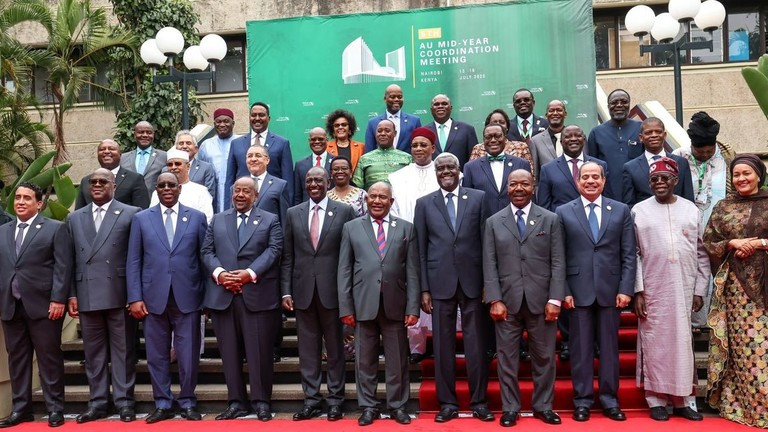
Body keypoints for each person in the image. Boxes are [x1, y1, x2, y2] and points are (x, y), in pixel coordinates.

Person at [413, 153, 492, 423]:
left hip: (473, 283)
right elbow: (420, 250)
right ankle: (447, 403)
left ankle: (479, 401)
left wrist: (488, 284)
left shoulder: (479, 198)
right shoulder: (424, 204)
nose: (446, 171)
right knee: (443, 347)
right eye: (441, 168)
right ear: (435, 172)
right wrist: (424, 289)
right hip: (439, 283)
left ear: (459, 171)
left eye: (450, 167)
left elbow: (487, 244)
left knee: (476, 345)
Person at [483, 169, 565, 427]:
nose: (519, 188)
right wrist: (494, 298)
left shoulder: (550, 219)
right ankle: (510, 408)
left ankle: (543, 406)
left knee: (544, 358)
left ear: (533, 187)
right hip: (506, 302)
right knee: (507, 359)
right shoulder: (494, 222)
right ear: (507, 188)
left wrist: (555, 299)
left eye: (524, 184)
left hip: (542, 303)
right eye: (514, 184)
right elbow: (490, 263)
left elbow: (558, 262)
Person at [556, 161, 636, 422]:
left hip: (610, 292)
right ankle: (582, 400)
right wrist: (564, 290)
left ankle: (610, 400)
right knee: (580, 350)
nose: (590, 181)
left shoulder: (621, 210)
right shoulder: (564, 212)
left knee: (610, 350)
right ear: (578, 182)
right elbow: (559, 256)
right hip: (577, 293)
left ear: (603, 181)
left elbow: (628, 253)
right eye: (585, 177)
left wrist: (626, 288)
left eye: (595, 177)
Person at [126, 172, 207, 423]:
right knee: (156, 354)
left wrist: (206, 299)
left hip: (188, 295)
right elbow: (134, 261)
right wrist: (135, 297)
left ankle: (187, 400)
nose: (167, 188)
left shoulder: (197, 218)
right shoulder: (141, 219)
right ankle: (162, 402)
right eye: (162, 185)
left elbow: (204, 259)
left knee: (188, 353)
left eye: (172, 184)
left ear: (179, 188)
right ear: (156, 190)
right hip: (152, 298)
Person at [632, 157, 708, 421]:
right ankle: (656, 400)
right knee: (654, 343)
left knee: (683, 343)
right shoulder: (639, 211)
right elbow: (635, 254)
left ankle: (684, 400)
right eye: (655, 179)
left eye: (665, 178)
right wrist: (638, 290)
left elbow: (701, 253)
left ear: (675, 180)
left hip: (685, 287)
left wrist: (699, 289)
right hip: (653, 289)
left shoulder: (691, 210)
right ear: (649, 182)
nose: (660, 183)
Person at [338, 182, 420, 426]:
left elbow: (413, 271)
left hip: (396, 304)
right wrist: (346, 307)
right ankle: (368, 407)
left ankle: (397, 406)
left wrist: (413, 307)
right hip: (362, 305)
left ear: (391, 201)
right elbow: (344, 270)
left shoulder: (406, 228)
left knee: (397, 361)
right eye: (372, 196)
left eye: (382, 197)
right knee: (364, 360)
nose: (376, 201)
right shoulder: (351, 228)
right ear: (366, 200)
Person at [201, 176, 283, 422]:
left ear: (255, 196)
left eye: (246, 191)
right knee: (229, 353)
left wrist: (248, 274)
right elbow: (206, 251)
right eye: (237, 190)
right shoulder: (217, 220)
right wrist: (221, 274)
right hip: (223, 295)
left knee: (259, 353)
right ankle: (236, 402)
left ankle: (261, 402)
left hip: (256, 296)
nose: (240, 195)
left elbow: (274, 250)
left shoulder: (270, 220)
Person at [281, 167, 356, 421]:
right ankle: (311, 399)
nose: (314, 184)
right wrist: (286, 291)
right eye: (309, 180)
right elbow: (288, 256)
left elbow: (350, 257)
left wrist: (349, 294)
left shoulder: (344, 211)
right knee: (308, 350)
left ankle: (336, 400)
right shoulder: (293, 213)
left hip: (334, 293)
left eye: (319, 180)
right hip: (302, 292)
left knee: (335, 349)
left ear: (329, 182)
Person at [66, 168, 141, 423]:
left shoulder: (131, 214)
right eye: (92, 182)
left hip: (119, 293)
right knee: (93, 353)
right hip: (87, 293)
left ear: (114, 186)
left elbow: (136, 259)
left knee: (123, 352)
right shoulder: (75, 218)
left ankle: (124, 402)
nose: (96, 185)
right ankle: (98, 402)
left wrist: (135, 295)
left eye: (102, 181)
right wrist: (72, 295)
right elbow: (70, 261)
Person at [704, 154, 768, 428]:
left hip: (765, 286)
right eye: (737, 174)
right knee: (744, 349)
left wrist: (760, 243)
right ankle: (747, 407)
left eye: (747, 173)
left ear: (759, 175)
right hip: (736, 290)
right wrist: (732, 242)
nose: (741, 179)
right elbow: (709, 239)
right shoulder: (723, 206)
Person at [0, 182, 71, 428]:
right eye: (17, 198)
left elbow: (63, 267)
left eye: (27, 198)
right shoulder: (3, 231)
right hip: (11, 306)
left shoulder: (54, 229)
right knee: (17, 361)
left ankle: (55, 409)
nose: (20, 202)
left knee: (49, 359)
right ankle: (21, 410)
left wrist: (58, 299)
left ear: (39, 204)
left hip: (44, 306)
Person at [672, 112, 734, 328]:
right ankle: (695, 321)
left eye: (709, 151)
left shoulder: (727, 157)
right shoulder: (678, 156)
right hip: (687, 225)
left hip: (718, 227)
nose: (705, 155)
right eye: (700, 152)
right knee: (693, 269)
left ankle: (717, 320)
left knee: (716, 268)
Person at [387, 127, 439, 363]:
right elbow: (394, 212)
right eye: (415, 145)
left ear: (433, 148)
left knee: (438, 292)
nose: (418, 149)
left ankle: (441, 341)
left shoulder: (447, 173)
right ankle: (417, 347)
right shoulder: (397, 178)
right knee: (412, 291)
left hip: (439, 244)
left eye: (423, 145)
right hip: (408, 242)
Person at [227, 102, 294, 206]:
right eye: (253, 115)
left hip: (270, 205)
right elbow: (230, 179)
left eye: (261, 115)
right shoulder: (236, 144)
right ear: (249, 118)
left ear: (269, 118)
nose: (257, 118)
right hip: (242, 204)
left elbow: (287, 180)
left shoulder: (282, 143)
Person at [622, 117, 694, 207]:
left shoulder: (681, 163)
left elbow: (688, 199)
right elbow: (629, 204)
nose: (654, 135)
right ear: (641, 138)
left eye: (658, 132)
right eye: (649, 133)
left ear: (664, 135)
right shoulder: (630, 168)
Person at [537, 125, 610, 212]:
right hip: (562, 222)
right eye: (568, 136)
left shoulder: (600, 165)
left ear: (583, 140)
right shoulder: (548, 169)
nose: (573, 139)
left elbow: (607, 199)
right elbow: (544, 207)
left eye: (578, 135)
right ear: (561, 142)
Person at [463, 124, 531, 217]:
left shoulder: (521, 164)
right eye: (488, 137)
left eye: (498, 136)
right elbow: (468, 203)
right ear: (483, 140)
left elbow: (530, 197)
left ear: (505, 138)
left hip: (516, 222)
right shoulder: (470, 167)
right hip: (484, 224)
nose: (493, 140)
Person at [586, 89, 644, 199]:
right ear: (608, 106)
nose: (619, 105)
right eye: (614, 102)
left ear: (629, 104)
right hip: (608, 194)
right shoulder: (596, 133)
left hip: (638, 193)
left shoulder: (641, 128)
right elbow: (593, 166)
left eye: (624, 102)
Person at [76, 138, 150, 209]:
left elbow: (142, 211)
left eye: (111, 149)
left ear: (120, 154)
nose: (106, 151)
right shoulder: (86, 181)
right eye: (102, 149)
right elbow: (79, 213)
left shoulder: (135, 179)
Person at [151, 149, 214, 223]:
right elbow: (152, 218)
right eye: (170, 165)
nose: (173, 167)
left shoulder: (201, 191)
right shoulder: (158, 191)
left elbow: (206, 219)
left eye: (177, 164)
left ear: (188, 166)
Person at [198, 108, 241, 213]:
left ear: (233, 123)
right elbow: (200, 169)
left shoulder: (241, 142)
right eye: (218, 122)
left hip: (236, 188)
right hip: (213, 189)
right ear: (214, 124)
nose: (222, 124)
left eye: (226, 121)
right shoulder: (206, 145)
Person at [352, 119, 411, 190]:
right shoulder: (364, 159)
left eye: (387, 130)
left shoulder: (407, 158)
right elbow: (357, 188)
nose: (383, 133)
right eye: (379, 131)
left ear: (395, 133)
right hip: (373, 200)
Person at [424, 94, 478, 169]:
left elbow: (475, 160)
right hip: (431, 178)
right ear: (431, 110)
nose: (440, 106)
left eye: (444, 104)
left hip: (461, 178)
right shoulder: (424, 131)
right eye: (436, 104)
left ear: (451, 108)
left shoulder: (467, 130)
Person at [364, 84, 422, 153]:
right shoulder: (373, 123)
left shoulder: (414, 121)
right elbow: (369, 151)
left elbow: (419, 147)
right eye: (392, 97)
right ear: (385, 99)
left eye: (400, 97)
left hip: (407, 163)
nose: (397, 99)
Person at [469, 109, 533, 169]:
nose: (498, 125)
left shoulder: (521, 147)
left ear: (507, 127)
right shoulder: (478, 149)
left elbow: (530, 174)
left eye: (502, 122)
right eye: (494, 122)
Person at [119, 121, 168, 196]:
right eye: (141, 132)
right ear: (135, 135)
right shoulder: (123, 158)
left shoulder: (164, 156)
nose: (145, 135)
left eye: (149, 132)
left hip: (154, 202)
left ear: (153, 135)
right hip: (129, 203)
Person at [246, 144, 289, 224]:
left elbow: (285, 220)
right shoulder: (237, 186)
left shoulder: (280, 185)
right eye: (249, 156)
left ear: (267, 160)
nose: (253, 159)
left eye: (258, 156)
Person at [174, 130, 218, 205]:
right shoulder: (167, 169)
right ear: (176, 148)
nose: (184, 146)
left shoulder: (206, 168)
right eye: (181, 143)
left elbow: (209, 195)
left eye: (188, 143)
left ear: (196, 149)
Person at [293, 127, 333, 205]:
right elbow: (297, 196)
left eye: (320, 139)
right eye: (313, 139)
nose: (317, 142)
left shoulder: (336, 163)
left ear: (327, 140)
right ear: (309, 141)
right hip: (307, 211)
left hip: (331, 209)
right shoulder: (300, 165)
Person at [529, 100, 567, 176]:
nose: (555, 113)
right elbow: (536, 172)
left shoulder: (576, 137)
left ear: (565, 114)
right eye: (551, 111)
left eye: (559, 110)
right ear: (546, 115)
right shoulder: (536, 141)